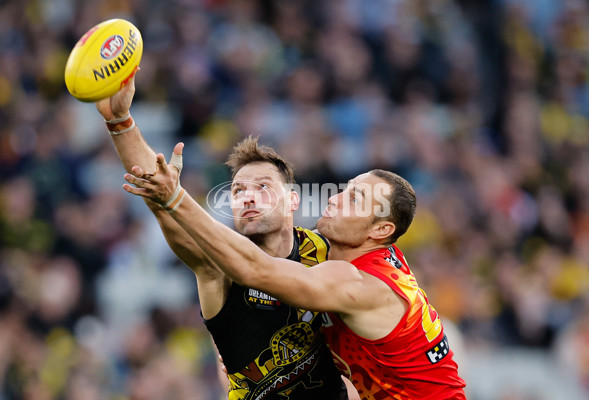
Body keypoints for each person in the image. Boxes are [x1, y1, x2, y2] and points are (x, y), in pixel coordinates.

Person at [123, 143, 467, 399]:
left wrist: (174, 198)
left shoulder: (360, 284)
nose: (335, 198)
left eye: (355, 199)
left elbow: (252, 269)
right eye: (345, 189)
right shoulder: (363, 254)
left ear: (379, 231)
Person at [95, 75, 357, 399]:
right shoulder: (218, 267)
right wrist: (120, 122)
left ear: (292, 200)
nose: (247, 197)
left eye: (263, 187)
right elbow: (163, 204)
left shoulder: (329, 251)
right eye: (237, 190)